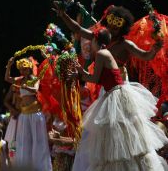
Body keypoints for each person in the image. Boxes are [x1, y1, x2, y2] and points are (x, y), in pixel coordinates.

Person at [68, 27, 168, 170]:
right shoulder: (105, 53)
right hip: (114, 93)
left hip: (115, 95)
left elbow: (94, 79)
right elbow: (101, 79)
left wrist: (79, 72)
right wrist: (78, 73)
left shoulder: (102, 53)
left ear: (96, 41)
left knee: (118, 133)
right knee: (122, 133)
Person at [53, 2, 163, 83]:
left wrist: (154, 50)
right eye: (109, 27)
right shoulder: (98, 37)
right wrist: (63, 15)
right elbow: (78, 29)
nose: (111, 30)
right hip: (104, 88)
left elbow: (145, 56)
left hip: (121, 89)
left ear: (122, 29)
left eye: (115, 29)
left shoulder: (125, 44)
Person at [5, 57, 52, 171]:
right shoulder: (20, 80)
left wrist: (27, 87)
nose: (23, 71)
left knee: (38, 141)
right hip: (24, 115)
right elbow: (7, 78)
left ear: (30, 68)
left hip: (35, 114)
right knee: (24, 142)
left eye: (25, 69)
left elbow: (35, 90)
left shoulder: (35, 79)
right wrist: (9, 65)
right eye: (21, 69)